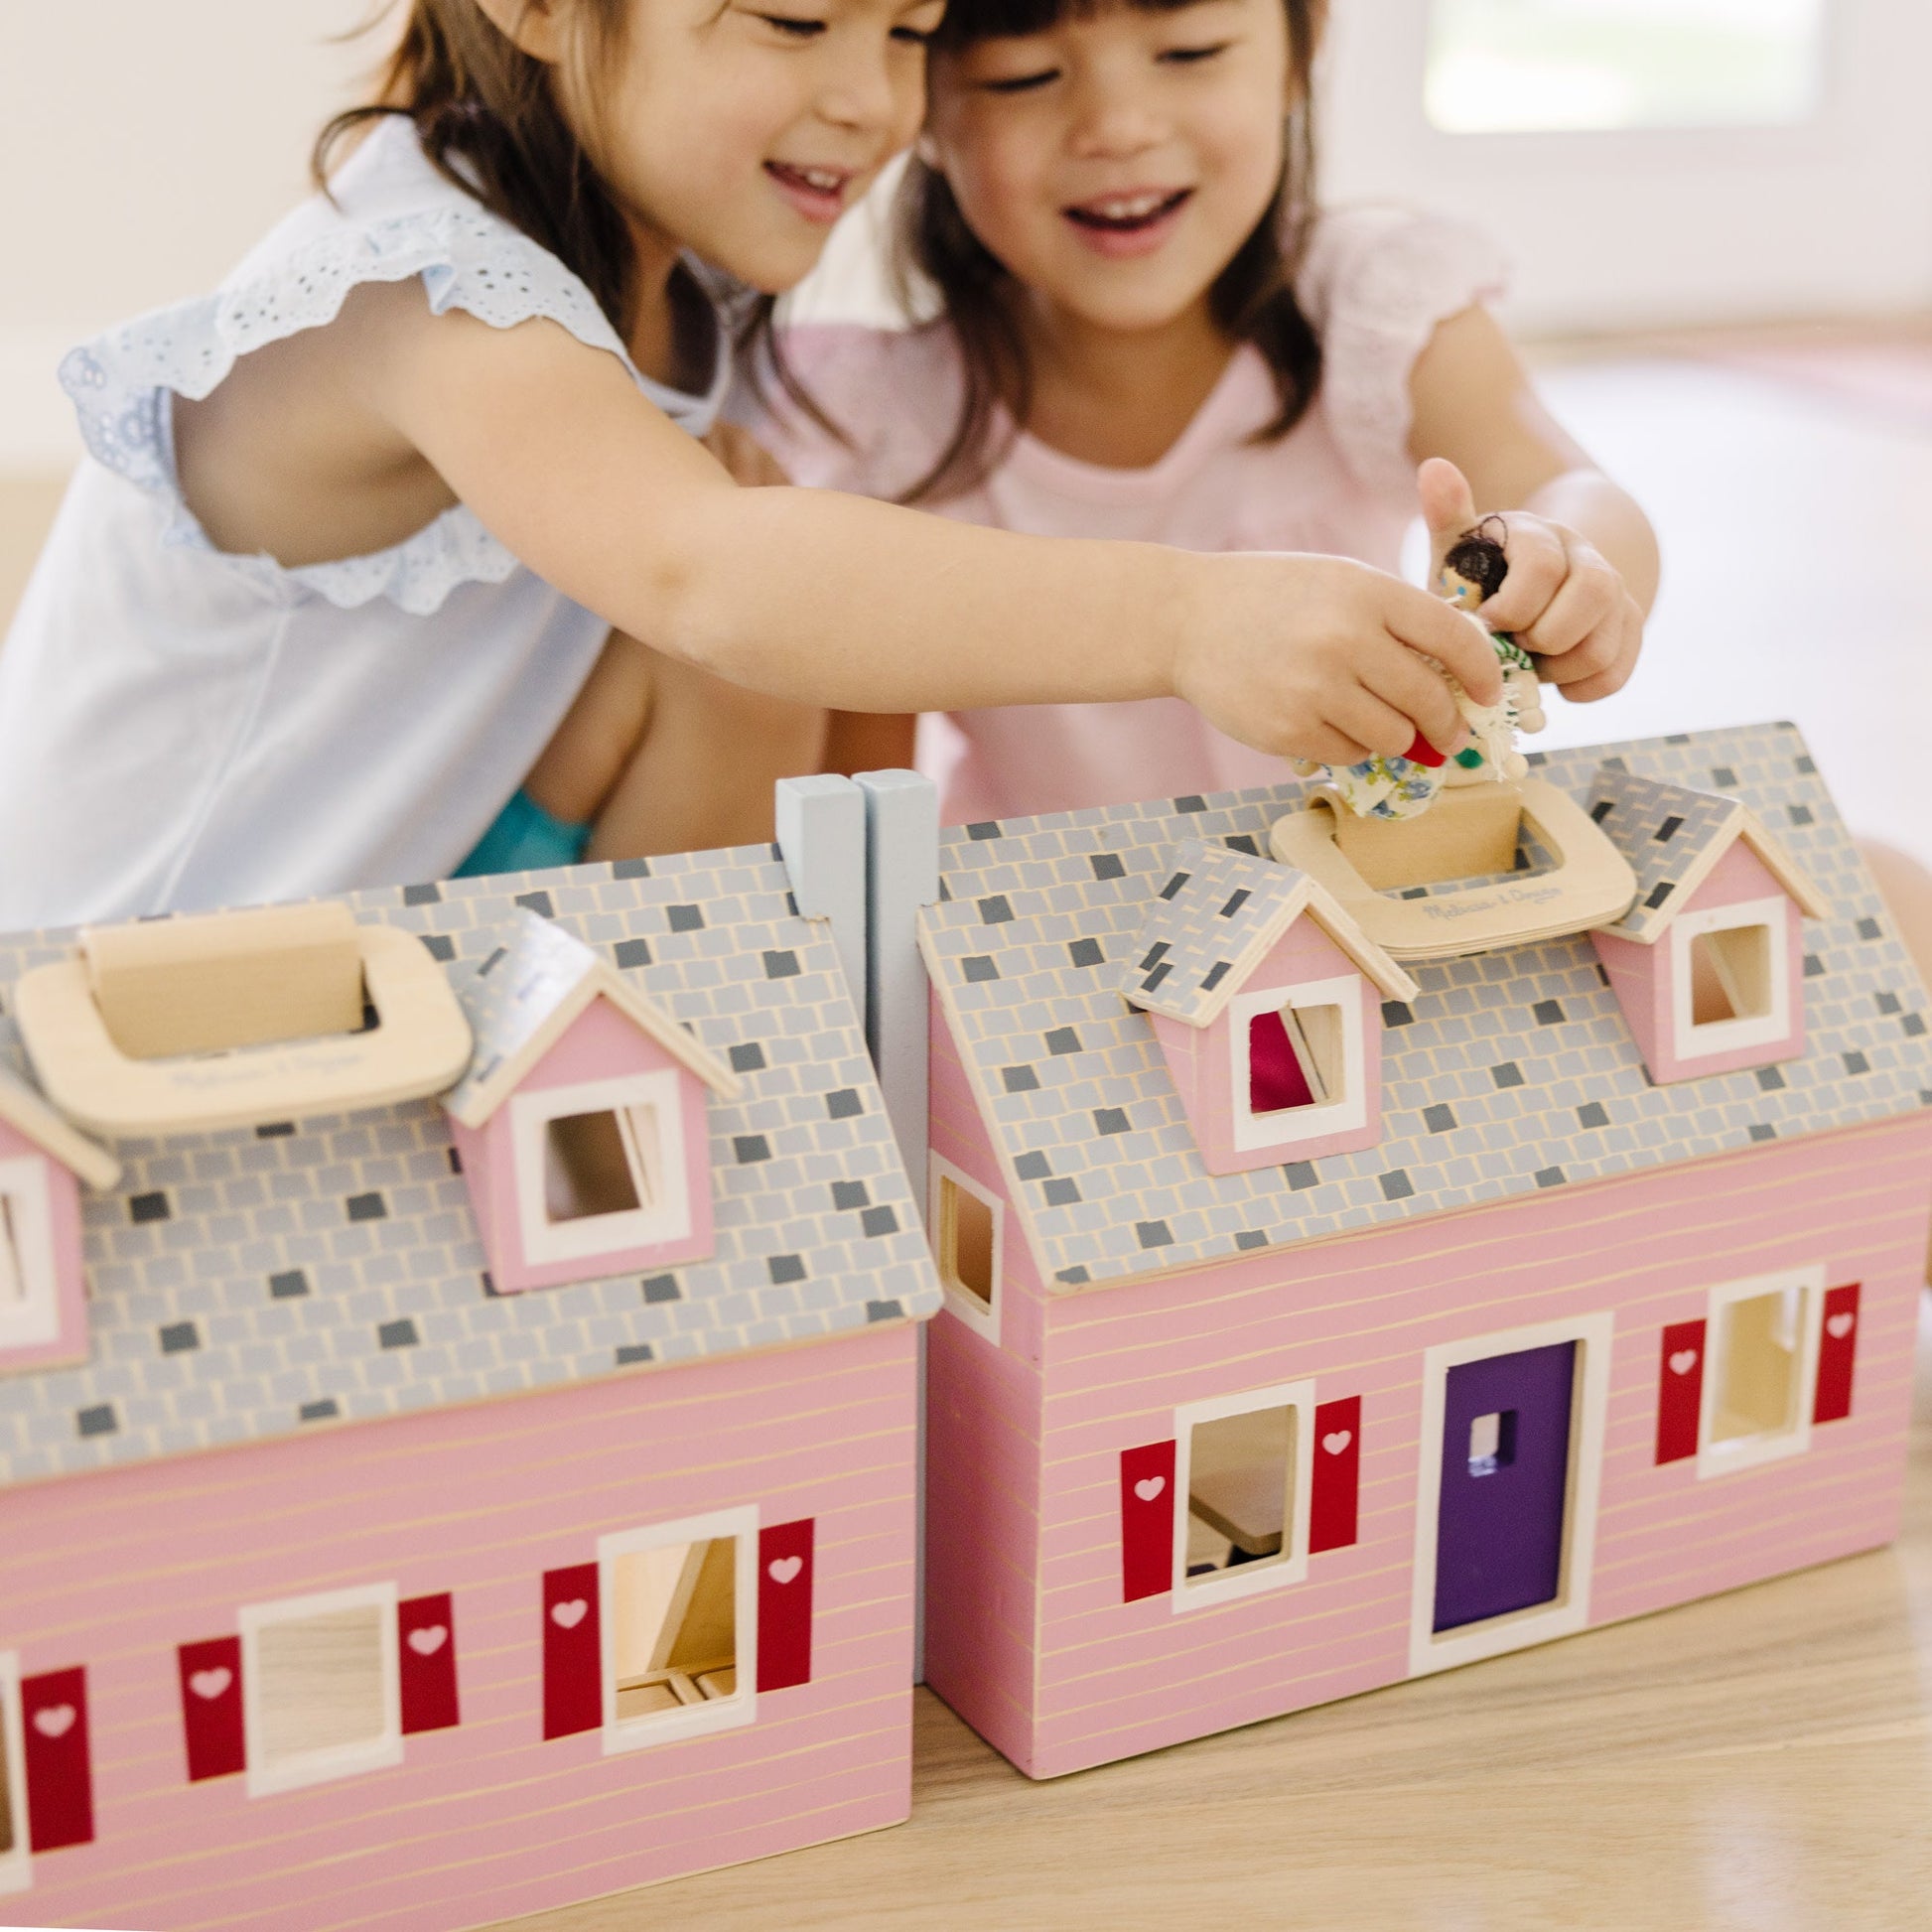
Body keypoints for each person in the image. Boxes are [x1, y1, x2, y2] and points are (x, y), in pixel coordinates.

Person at [0, 0, 1498, 931]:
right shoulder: (427, 289)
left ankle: (735, 1039)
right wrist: (1188, 621)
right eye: (793, 22)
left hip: (402, 891)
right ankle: (681, 1079)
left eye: (907, 31)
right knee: (754, 576)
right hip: (145, 983)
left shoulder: (663, 276)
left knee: (794, 582)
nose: (871, 101)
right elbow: (704, 574)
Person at [746, 0, 1660, 822]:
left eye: (1189, 51)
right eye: (1021, 75)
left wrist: (1566, 565)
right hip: (1056, 938)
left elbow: (1562, 484)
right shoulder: (876, 421)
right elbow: (862, 817)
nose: (1116, 129)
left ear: (1301, 50)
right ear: (923, 110)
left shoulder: (1371, 301)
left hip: (1366, 910)